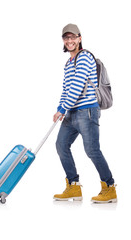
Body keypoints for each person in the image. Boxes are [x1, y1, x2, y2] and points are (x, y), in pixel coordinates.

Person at [53, 23, 117, 203]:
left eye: (73, 37)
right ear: (63, 41)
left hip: (87, 112)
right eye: (66, 38)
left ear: (79, 39)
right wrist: (60, 108)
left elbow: (77, 86)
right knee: (61, 145)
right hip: (71, 114)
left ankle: (109, 187)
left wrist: (63, 108)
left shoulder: (85, 57)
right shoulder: (68, 63)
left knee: (92, 150)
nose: (70, 41)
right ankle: (73, 186)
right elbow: (66, 89)